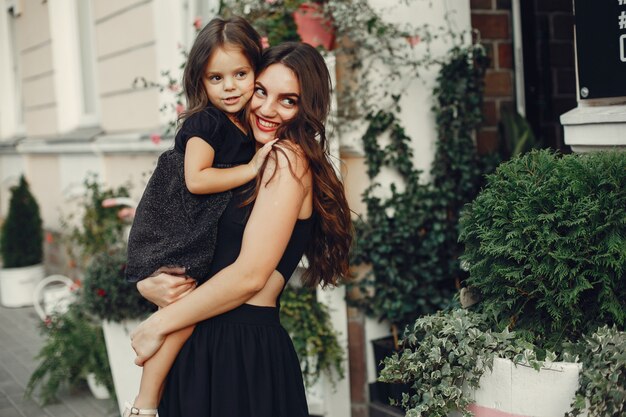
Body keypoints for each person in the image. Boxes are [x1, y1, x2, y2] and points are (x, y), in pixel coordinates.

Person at [130, 42, 353, 417]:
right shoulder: (245, 158)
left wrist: (158, 323)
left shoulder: (286, 158)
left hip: (237, 352)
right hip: (205, 343)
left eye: (288, 100)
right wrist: (148, 283)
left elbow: (250, 275)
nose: (267, 109)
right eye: (262, 91)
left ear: (307, 108)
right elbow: (197, 247)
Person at [122, 16, 276, 417]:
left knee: (180, 314)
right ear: (200, 82)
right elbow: (196, 179)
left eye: (240, 74)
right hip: (174, 226)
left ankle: (145, 403)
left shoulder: (242, 123)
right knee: (178, 314)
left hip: (193, 227)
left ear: (256, 71)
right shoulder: (207, 123)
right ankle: (144, 404)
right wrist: (251, 169)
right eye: (216, 78)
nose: (230, 87)